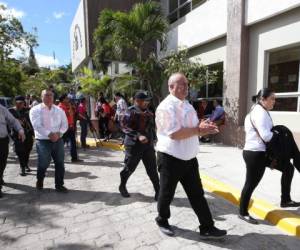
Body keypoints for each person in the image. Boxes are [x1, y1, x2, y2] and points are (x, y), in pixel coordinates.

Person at [155, 73, 227, 239]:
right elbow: (174, 134)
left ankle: (207, 226)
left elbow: (193, 127)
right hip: (170, 158)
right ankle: (162, 219)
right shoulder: (165, 107)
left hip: (189, 159)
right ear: (171, 87)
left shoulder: (186, 104)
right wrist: (198, 130)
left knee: (197, 194)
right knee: (166, 194)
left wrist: (204, 126)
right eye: (182, 84)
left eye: (187, 84)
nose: (186, 87)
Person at [239, 88, 300, 225]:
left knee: (288, 168)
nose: (274, 101)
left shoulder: (256, 111)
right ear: (263, 99)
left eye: (274, 98)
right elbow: (266, 136)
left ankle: (285, 200)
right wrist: (280, 134)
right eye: (272, 98)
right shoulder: (260, 113)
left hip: (262, 153)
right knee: (251, 183)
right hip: (256, 155)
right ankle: (243, 212)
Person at [118, 91, 160, 200]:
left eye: (147, 100)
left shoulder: (149, 112)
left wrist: (154, 138)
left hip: (148, 145)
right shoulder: (130, 111)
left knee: (152, 169)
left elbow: (151, 127)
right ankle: (122, 186)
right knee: (129, 168)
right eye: (144, 100)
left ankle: (158, 191)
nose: (147, 102)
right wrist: (138, 136)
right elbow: (124, 127)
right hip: (133, 145)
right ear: (137, 101)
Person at [29, 89, 68, 192]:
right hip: (43, 140)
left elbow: (65, 124)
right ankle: (40, 180)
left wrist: (59, 134)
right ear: (41, 97)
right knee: (44, 163)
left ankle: (59, 185)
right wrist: (49, 134)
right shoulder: (35, 110)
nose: (49, 97)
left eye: (51, 95)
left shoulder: (59, 110)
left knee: (60, 163)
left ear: (53, 97)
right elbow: (37, 125)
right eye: (46, 95)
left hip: (58, 139)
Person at [0, 104, 25, 198]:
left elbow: (13, 121)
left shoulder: (2, 109)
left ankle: (0, 176)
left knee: (2, 162)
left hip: (2, 140)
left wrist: (20, 130)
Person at [9, 96, 34, 176]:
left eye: (21, 103)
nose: (19, 104)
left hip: (28, 134)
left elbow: (32, 122)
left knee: (27, 150)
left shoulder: (28, 111)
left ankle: (26, 164)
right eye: (18, 103)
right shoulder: (10, 111)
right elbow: (7, 123)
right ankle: (22, 167)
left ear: (24, 103)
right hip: (17, 135)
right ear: (15, 103)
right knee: (20, 151)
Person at [58, 94, 82, 162]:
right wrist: (70, 108)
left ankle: (74, 158)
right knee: (61, 144)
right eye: (66, 98)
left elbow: (72, 115)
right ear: (63, 100)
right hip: (64, 128)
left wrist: (73, 108)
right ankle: (57, 158)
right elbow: (66, 115)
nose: (68, 100)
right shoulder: (60, 107)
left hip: (70, 126)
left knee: (73, 142)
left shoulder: (67, 106)